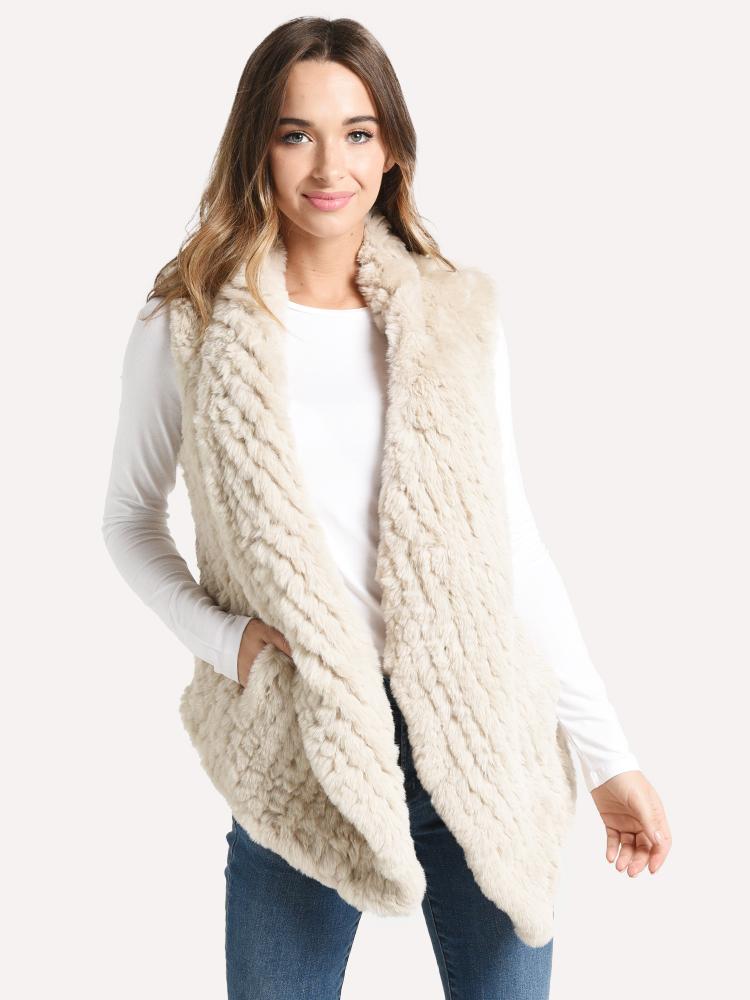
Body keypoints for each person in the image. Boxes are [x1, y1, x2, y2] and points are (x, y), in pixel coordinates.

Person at [101, 16, 671, 1000]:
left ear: (393, 149)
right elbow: (127, 519)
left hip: (483, 739)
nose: (331, 166)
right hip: (301, 747)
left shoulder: (453, 314)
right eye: (296, 133)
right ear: (258, 149)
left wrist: (608, 756)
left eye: (357, 132)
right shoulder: (188, 321)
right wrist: (227, 640)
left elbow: (512, 546)